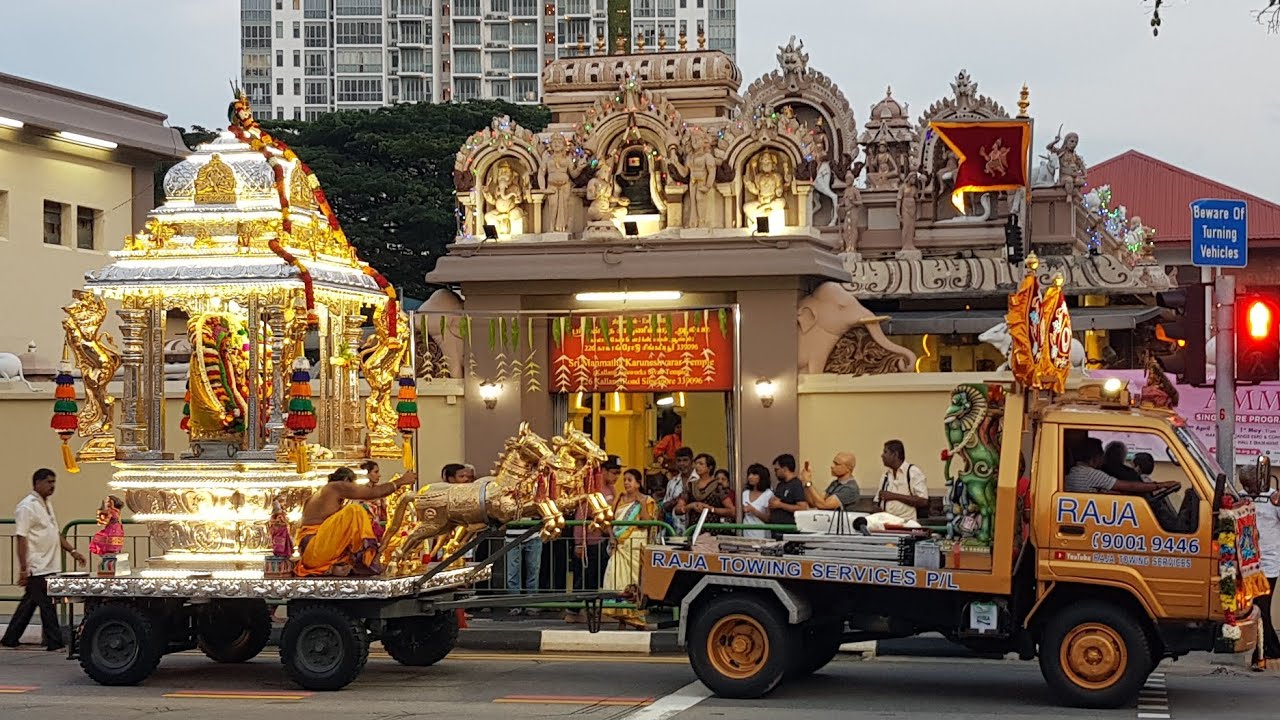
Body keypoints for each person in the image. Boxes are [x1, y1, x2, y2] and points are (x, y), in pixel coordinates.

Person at [2, 469, 86, 650]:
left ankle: (11, 638)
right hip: (37, 565)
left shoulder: (46, 504)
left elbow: (55, 533)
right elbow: (21, 537)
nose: (52, 486)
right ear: (37, 483)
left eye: (54, 482)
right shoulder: (27, 507)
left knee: (30, 603)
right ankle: (54, 642)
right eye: (48, 482)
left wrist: (72, 551)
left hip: (49, 563)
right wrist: (24, 568)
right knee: (47, 604)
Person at [295, 466, 415, 577]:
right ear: (347, 481)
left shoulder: (318, 495)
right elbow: (372, 493)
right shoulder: (336, 487)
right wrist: (401, 481)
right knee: (354, 510)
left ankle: (345, 565)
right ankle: (367, 561)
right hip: (315, 550)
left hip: (312, 555)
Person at [602, 468, 659, 631]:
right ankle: (621, 618)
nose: (626, 483)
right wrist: (612, 537)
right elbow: (610, 521)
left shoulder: (646, 501)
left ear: (638, 483)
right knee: (617, 579)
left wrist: (641, 505)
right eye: (625, 480)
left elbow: (646, 524)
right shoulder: (619, 499)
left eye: (630, 480)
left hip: (635, 545)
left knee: (634, 580)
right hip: (620, 546)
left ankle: (637, 618)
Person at [566, 454, 619, 623]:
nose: (616, 477)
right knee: (585, 578)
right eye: (613, 472)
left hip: (603, 542)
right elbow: (580, 518)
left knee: (597, 578)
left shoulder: (611, 490)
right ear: (603, 471)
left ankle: (593, 610)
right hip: (590, 542)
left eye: (618, 473)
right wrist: (579, 544)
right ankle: (574, 612)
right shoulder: (592, 490)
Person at [1242, 468, 1280, 664]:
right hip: (1248, 564)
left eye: (1252, 486)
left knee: (1261, 607)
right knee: (1255, 608)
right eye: (1245, 486)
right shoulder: (1241, 497)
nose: (1249, 490)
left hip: (1269, 563)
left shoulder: (1272, 498)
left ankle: (1263, 652)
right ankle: (1270, 649)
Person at [1065, 438, 1178, 495]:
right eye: (1101, 456)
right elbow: (1130, 487)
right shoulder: (1090, 474)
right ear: (1094, 457)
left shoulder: (1074, 471)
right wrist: (1162, 485)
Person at [876, 440, 929, 522]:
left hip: (906, 524)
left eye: (885, 452)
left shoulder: (912, 472)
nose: (882, 455)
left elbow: (923, 501)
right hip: (886, 525)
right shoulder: (886, 475)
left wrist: (894, 496)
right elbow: (877, 501)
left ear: (895, 454)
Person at [679, 456, 735, 526]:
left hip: (713, 530)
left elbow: (732, 511)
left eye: (701, 464)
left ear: (710, 467)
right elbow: (678, 510)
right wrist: (691, 506)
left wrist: (711, 509)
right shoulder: (690, 485)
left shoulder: (718, 486)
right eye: (696, 464)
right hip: (694, 530)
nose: (697, 466)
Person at [768, 454, 808, 538]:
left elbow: (802, 507)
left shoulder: (796, 484)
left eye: (777, 470)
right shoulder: (780, 485)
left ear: (785, 469)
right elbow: (776, 501)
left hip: (789, 532)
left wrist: (780, 505)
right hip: (776, 530)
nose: (775, 473)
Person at [662, 447, 697, 536]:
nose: (682, 464)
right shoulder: (672, 482)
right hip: (676, 532)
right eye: (679, 461)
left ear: (692, 461)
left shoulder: (699, 479)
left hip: (697, 531)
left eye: (685, 460)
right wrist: (676, 500)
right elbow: (664, 507)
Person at [741, 464, 774, 539]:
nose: (750, 477)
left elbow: (769, 519)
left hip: (762, 535)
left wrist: (753, 510)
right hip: (746, 533)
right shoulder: (745, 493)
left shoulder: (768, 494)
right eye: (749, 474)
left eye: (754, 474)